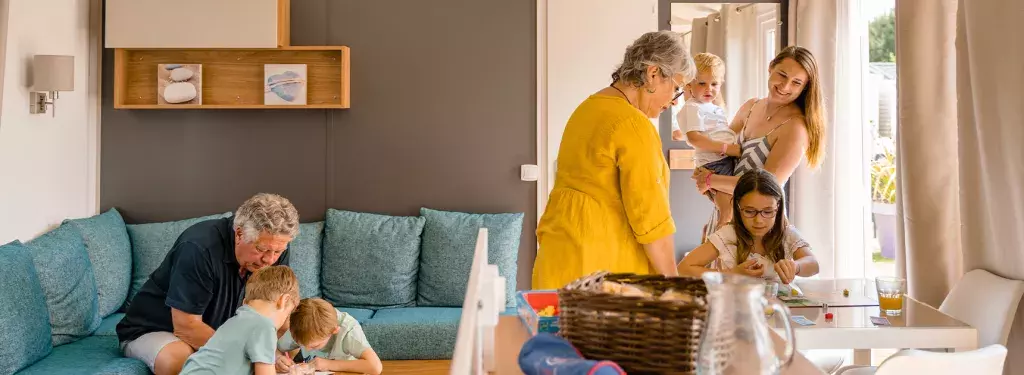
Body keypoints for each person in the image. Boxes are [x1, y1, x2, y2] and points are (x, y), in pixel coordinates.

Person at [532, 30, 696, 290]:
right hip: (602, 273)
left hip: (559, 258)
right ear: (653, 74)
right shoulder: (634, 125)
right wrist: (673, 284)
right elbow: (651, 219)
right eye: (675, 89)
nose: (673, 103)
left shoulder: (587, 108)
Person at [116, 193, 300, 375]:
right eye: (261, 249)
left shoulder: (274, 246)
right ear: (239, 233)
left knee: (286, 342)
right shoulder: (198, 248)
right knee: (179, 360)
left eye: (277, 252)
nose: (270, 259)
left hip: (222, 333)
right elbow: (186, 327)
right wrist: (254, 354)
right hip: (159, 330)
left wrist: (277, 354)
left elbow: (277, 311)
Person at [693, 46, 826, 241]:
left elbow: (766, 187)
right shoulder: (751, 106)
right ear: (771, 67)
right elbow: (721, 150)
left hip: (759, 230)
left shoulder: (794, 128)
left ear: (804, 88)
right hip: (726, 218)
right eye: (782, 75)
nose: (785, 86)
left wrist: (710, 181)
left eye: (796, 83)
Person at [677, 169, 819, 285]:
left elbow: (813, 264)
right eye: (750, 211)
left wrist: (796, 266)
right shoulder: (729, 235)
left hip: (777, 311)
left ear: (778, 208)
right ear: (738, 208)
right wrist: (731, 274)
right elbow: (683, 268)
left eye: (767, 211)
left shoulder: (787, 234)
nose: (759, 220)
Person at [178, 266, 300, 375]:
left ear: (245, 301)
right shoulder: (265, 326)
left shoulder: (234, 320)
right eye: (288, 314)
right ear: (283, 300)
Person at [671, 53, 738, 232]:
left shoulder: (713, 108)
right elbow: (695, 138)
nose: (709, 89)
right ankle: (720, 248)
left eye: (714, 84)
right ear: (689, 85)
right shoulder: (693, 107)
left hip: (721, 160)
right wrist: (728, 148)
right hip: (716, 162)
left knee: (729, 209)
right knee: (727, 212)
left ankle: (715, 240)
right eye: (702, 83)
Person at [274, 298, 383, 375]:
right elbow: (275, 348)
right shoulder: (299, 326)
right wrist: (278, 358)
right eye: (302, 344)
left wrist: (328, 364)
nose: (306, 349)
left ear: (334, 331)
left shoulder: (348, 329)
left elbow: (375, 367)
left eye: (314, 346)